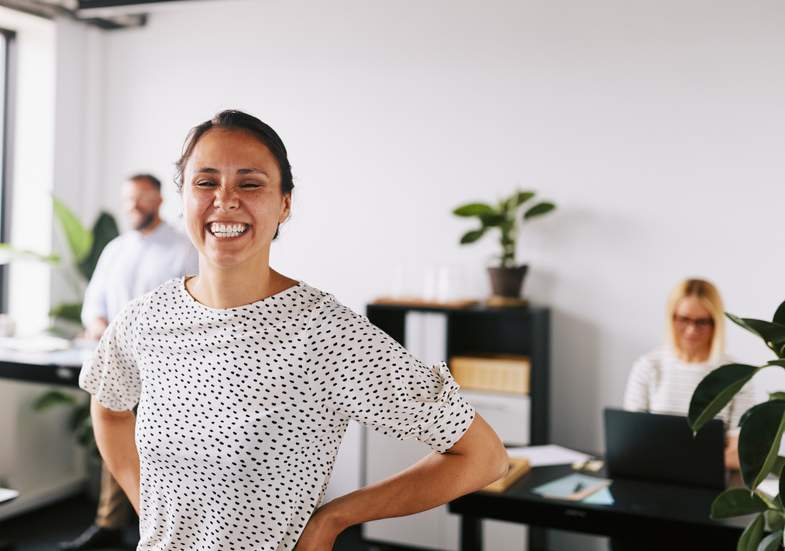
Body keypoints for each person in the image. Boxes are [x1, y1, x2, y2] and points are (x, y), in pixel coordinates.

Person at [80, 110, 508, 550]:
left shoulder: (326, 334)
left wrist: (334, 519)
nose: (225, 200)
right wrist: (148, 509)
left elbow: (482, 457)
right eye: (205, 182)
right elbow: (109, 408)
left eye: (249, 183)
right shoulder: (145, 319)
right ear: (184, 198)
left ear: (285, 203)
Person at [62, 174, 198, 550]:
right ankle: (111, 524)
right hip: (118, 363)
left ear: (158, 200)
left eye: (141, 197)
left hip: (167, 368)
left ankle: (162, 527)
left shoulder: (185, 247)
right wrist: (100, 326)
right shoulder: (116, 249)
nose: (132, 205)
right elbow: (95, 304)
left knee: (158, 447)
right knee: (119, 437)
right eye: (127, 199)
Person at [622, 278, 756, 471]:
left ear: (715, 322)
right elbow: (631, 439)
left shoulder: (736, 376)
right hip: (655, 477)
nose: (692, 330)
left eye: (702, 322)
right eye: (684, 319)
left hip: (708, 482)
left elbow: (737, 455)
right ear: (672, 317)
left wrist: (678, 462)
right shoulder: (649, 366)